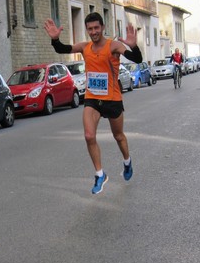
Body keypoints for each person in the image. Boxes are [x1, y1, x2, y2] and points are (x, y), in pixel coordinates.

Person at [43, 13, 142, 194]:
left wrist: (134, 47)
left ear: (102, 27)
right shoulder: (84, 47)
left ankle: (127, 162)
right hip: (92, 99)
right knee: (89, 136)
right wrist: (55, 39)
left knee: (119, 136)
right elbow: (63, 49)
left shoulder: (113, 45)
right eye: (90, 29)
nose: (93, 32)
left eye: (96, 28)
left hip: (112, 99)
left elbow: (137, 59)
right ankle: (99, 174)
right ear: (87, 29)